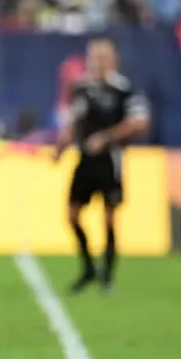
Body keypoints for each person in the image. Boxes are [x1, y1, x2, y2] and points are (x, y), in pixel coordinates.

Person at [54, 37, 150, 294]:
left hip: (110, 160)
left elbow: (140, 121)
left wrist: (106, 138)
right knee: (72, 215)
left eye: (101, 57)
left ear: (112, 60)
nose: (96, 62)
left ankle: (107, 276)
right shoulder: (81, 87)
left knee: (109, 217)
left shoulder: (123, 89)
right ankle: (88, 269)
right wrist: (61, 146)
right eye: (92, 57)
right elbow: (74, 120)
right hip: (85, 158)